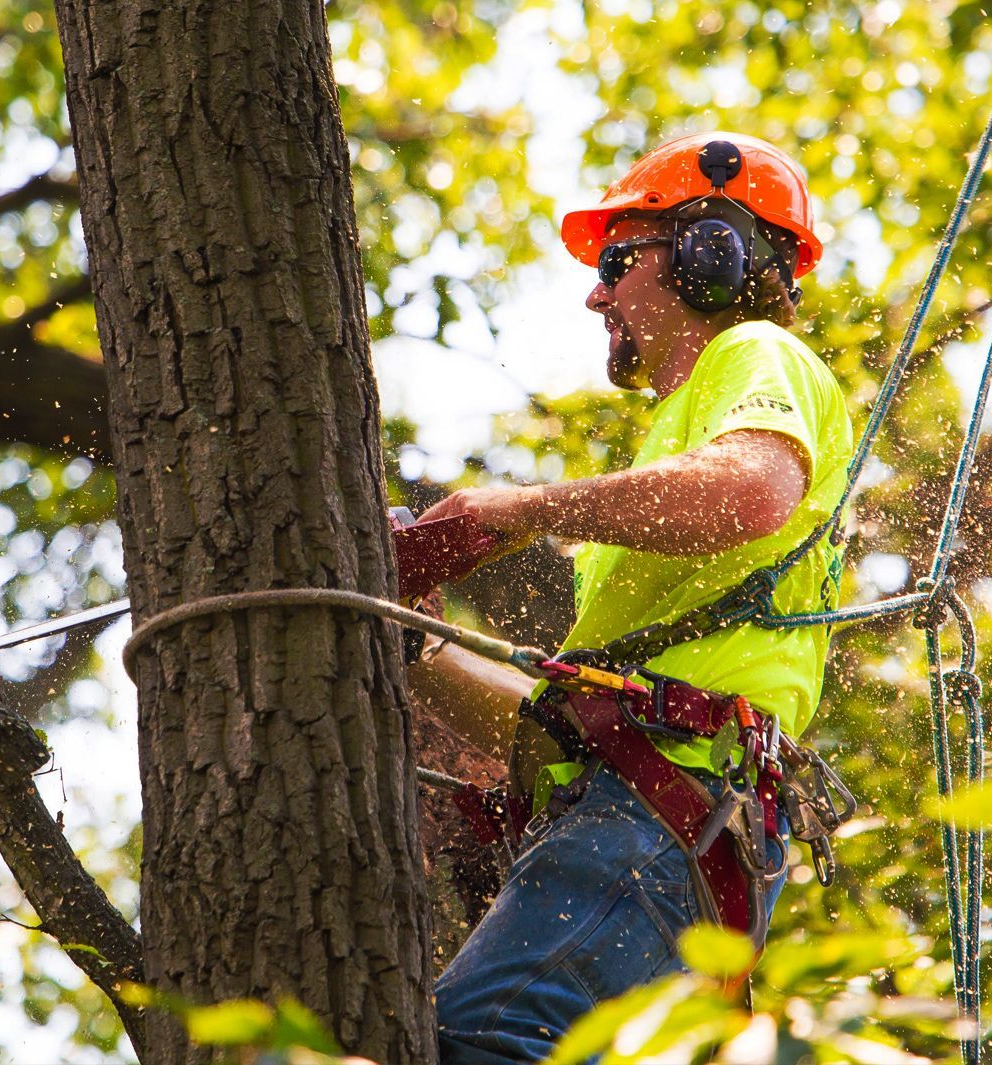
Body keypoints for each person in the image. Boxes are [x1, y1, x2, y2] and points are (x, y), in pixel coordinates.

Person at [408, 131, 853, 1063]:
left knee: (477, 1036)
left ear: (707, 254)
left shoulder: (757, 355)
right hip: (650, 819)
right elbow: (559, 722)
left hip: (659, 815)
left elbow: (749, 488)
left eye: (618, 258)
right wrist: (413, 643)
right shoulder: (669, 456)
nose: (596, 291)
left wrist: (521, 512)